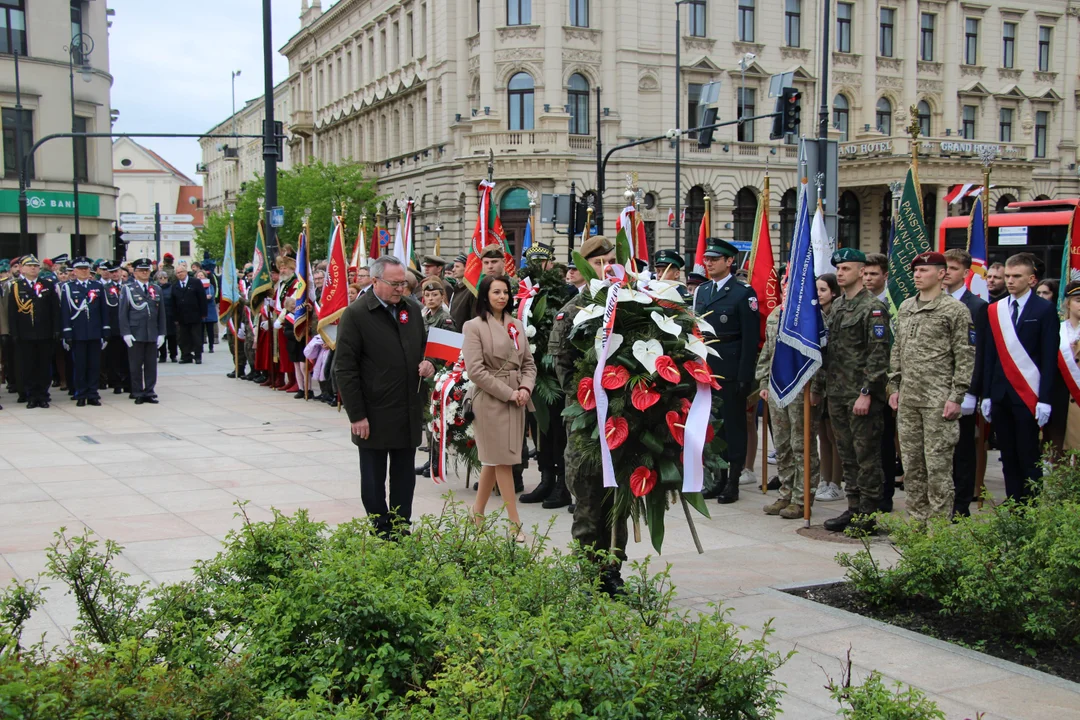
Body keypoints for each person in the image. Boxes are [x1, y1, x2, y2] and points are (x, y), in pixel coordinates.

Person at [334, 256, 435, 537]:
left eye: (403, 283)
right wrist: (357, 415)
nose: (400, 288)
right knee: (374, 477)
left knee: (404, 477)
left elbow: (425, 349)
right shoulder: (355, 314)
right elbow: (344, 368)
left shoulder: (412, 310)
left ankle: (401, 527)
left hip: (407, 407)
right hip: (373, 412)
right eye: (394, 283)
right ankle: (381, 529)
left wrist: (430, 365)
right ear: (375, 281)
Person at [550, 235, 627, 594]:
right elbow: (563, 366)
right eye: (598, 263)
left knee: (618, 500)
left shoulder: (630, 304)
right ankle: (589, 572)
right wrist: (590, 398)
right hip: (587, 420)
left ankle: (613, 570)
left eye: (610, 260)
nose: (606, 267)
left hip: (624, 419)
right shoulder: (572, 311)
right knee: (588, 498)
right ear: (584, 268)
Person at [887, 252, 975, 523]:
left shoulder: (955, 310)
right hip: (910, 399)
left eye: (924, 270)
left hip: (939, 400)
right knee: (913, 467)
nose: (917, 275)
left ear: (941, 274)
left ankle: (938, 529)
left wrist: (956, 395)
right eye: (916, 270)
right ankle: (916, 523)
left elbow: (965, 354)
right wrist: (894, 386)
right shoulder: (906, 307)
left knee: (938, 468)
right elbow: (898, 348)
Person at [812, 248, 890, 533]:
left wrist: (867, 392)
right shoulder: (839, 307)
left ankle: (867, 515)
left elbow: (878, 355)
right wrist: (820, 389)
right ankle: (853, 509)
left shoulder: (873, 308)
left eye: (845, 269)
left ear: (860, 271)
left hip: (860, 395)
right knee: (847, 455)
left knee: (866, 456)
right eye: (839, 269)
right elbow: (828, 353)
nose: (840, 273)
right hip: (837, 393)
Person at [462, 274, 537, 542]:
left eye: (505, 292)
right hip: (491, 399)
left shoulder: (516, 324)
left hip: (517, 398)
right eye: (496, 292)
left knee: (493, 460)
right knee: (503, 460)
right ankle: (514, 523)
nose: (502, 297)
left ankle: (477, 512)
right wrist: (509, 393)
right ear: (485, 295)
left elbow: (528, 363)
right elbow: (476, 371)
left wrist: (525, 389)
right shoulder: (474, 326)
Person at [980, 252, 1058, 502]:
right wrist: (987, 394)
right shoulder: (996, 309)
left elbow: (1048, 357)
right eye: (1008, 276)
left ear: (1032, 279)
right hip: (1001, 393)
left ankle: (1031, 504)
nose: (1010, 281)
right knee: (1008, 454)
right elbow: (989, 355)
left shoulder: (1044, 309)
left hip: (1028, 394)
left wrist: (1045, 398)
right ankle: (1014, 502)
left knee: (1028, 453)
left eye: (1016, 276)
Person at [694, 238, 760, 504]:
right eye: (707, 259)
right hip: (706, 369)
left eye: (714, 259)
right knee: (713, 427)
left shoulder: (743, 293)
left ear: (729, 261)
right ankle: (717, 477)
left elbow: (750, 338)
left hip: (731, 370)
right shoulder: (703, 291)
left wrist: (745, 376)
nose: (708, 263)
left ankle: (733, 480)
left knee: (733, 426)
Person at [757, 275, 820, 519]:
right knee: (782, 444)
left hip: (802, 389)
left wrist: (817, 389)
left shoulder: (810, 318)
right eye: (784, 284)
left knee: (801, 445)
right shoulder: (775, 316)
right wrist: (763, 382)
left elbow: (819, 358)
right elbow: (767, 352)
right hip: (776, 388)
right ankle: (785, 493)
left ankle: (802, 497)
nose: (786, 289)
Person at [943, 249, 988, 516]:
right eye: (944, 267)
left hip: (961, 391)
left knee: (962, 450)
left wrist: (971, 392)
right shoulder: (934, 301)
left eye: (954, 268)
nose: (947, 272)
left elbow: (978, 352)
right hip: (935, 387)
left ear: (966, 273)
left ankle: (961, 506)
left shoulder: (977, 306)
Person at [7, 255, 60, 408]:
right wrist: (14, 333)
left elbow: (55, 310)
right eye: (29, 266)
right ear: (22, 269)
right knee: (28, 366)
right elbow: (12, 313)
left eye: (35, 266)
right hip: (25, 334)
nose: (33, 268)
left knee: (43, 366)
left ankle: (43, 395)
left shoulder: (47, 285)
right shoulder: (17, 287)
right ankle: (31, 395)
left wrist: (56, 329)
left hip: (44, 333)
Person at [60, 257, 109, 407]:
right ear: (74, 271)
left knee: (94, 365)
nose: (84, 271)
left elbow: (103, 310)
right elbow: (65, 312)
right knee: (80, 365)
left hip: (94, 331)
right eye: (80, 268)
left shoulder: (97, 286)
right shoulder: (68, 288)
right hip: (78, 332)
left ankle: (93, 393)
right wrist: (67, 333)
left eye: (86, 268)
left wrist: (105, 329)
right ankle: (81, 393)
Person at [814, 273, 845, 502]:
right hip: (819, 383)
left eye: (823, 290)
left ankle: (836, 482)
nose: (818, 294)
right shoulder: (814, 316)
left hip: (835, 382)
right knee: (823, 434)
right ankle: (824, 480)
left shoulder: (837, 314)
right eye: (816, 289)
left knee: (835, 436)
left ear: (833, 292)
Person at [120, 259, 166, 404]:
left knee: (151, 365)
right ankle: (137, 391)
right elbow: (123, 313)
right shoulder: (128, 288)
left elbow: (161, 313)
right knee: (135, 365)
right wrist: (126, 333)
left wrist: (162, 333)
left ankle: (149, 391)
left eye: (146, 270)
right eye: (141, 270)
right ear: (135, 272)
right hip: (136, 332)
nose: (144, 273)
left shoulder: (156, 288)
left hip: (151, 332)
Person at [1048, 282, 1080, 452]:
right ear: (1068, 303)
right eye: (1078, 300)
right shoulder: (1056, 330)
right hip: (1060, 398)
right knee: (1059, 453)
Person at [172, 263, 208, 364]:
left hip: (195, 314)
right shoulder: (175, 286)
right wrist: (175, 317)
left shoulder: (195, 282)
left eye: (181, 272)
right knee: (183, 337)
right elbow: (173, 302)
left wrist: (203, 313)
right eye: (178, 273)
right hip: (181, 316)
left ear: (186, 272)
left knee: (196, 336)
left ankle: (197, 356)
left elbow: (202, 298)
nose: (180, 274)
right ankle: (186, 355)